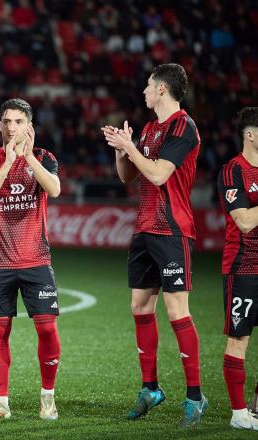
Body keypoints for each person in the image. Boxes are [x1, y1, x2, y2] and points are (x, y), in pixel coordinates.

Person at [102, 63, 207, 427]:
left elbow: (160, 173)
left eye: (148, 84)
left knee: (178, 312)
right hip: (145, 228)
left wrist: (131, 146)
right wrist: (121, 150)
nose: (144, 90)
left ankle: (195, 397)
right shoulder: (148, 128)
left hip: (173, 231)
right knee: (139, 306)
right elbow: (129, 175)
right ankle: (151, 388)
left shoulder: (184, 127)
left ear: (162, 89)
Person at [0, 99, 62, 420]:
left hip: (37, 261)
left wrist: (27, 160)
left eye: (19, 121)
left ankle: (48, 398)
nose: (12, 127)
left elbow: (53, 189)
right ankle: (0, 403)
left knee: (48, 331)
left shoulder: (45, 158)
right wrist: (10, 163)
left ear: (29, 127)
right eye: (7, 121)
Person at [217, 107, 258, 431]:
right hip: (243, 267)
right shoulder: (233, 171)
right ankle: (238, 413)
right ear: (250, 134)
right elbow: (244, 221)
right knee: (239, 338)